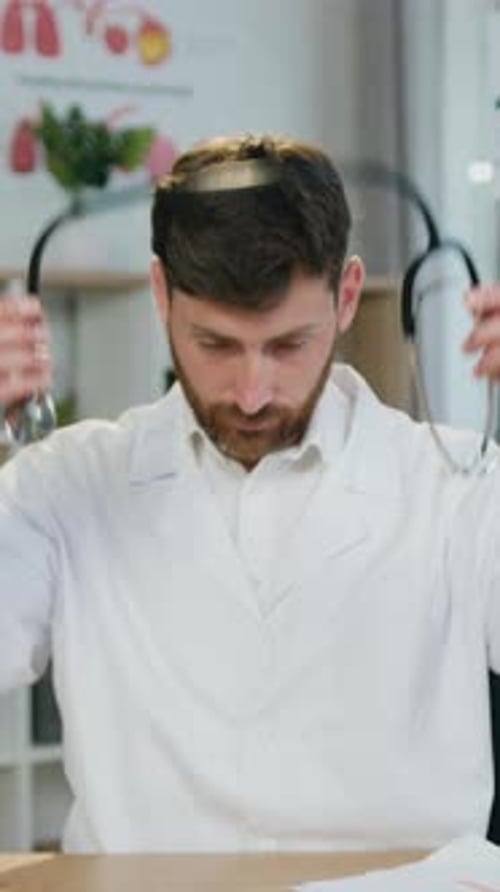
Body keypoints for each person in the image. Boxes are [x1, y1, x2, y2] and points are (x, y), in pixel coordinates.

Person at [1, 133, 500, 855]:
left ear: (348, 295)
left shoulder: (459, 488)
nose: (253, 392)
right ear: (161, 295)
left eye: (289, 345)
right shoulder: (66, 487)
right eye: (215, 345)